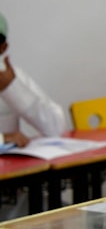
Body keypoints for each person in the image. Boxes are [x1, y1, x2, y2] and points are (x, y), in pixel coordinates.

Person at [0, 10, 68, 147]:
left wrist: (12, 90)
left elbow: (56, 128)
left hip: (13, 166)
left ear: (3, 48)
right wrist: (2, 139)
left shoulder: (9, 75)